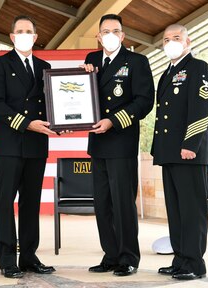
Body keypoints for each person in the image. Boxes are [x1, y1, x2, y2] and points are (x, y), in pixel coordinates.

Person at [82, 14, 154, 276]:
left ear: (123, 35)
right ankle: (110, 255)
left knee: (123, 203)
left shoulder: (136, 61)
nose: (110, 35)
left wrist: (113, 121)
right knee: (102, 203)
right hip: (97, 143)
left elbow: (144, 101)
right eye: (105, 31)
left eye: (115, 30)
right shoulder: (91, 60)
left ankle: (128, 257)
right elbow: (84, 95)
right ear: (98, 36)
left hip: (121, 140)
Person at [0, 15, 56, 279]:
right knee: (5, 203)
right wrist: (27, 123)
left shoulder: (45, 66)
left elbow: (55, 104)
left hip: (37, 146)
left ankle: (28, 256)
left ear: (36, 37)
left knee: (31, 203)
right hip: (9, 145)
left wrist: (67, 119)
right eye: (20, 31)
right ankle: (7, 259)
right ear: (12, 37)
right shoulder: (0, 64)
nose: (25, 35)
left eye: (29, 31)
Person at [151, 23, 208, 280]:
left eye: (176, 38)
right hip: (170, 153)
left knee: (192, 210)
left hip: (189, 152)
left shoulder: (199, 68)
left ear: (188, 41)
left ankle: (195, 263)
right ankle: (180, 259)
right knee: (176, 210)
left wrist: (190, 144)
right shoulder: (168, 73)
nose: (171, 42)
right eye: (166, 39)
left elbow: (202, 108)